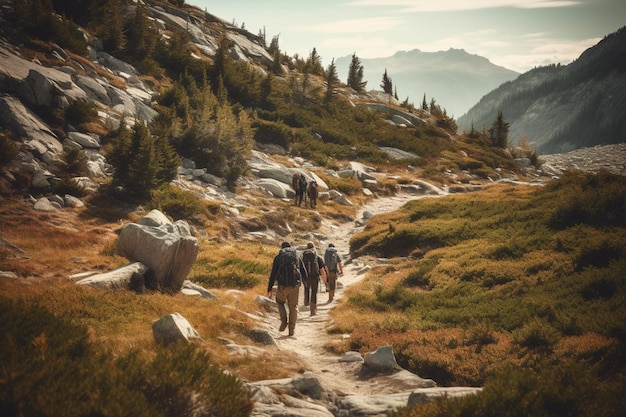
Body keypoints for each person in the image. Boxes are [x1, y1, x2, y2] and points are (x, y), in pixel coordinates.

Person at [267, 242, 308, 336]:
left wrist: (269, 288)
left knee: (279, 301)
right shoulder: (296, 255)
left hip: (282, 285)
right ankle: (291, 329)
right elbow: (303, 270)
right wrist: (305, 283)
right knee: (293, 307)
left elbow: (273, 273)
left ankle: (284, 320)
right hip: (295, 284)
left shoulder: (278, 257)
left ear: (282, 248)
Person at [301, 242, 327, 316]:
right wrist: (325, 282)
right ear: (314, 247)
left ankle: (306, 304)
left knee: (306, 290)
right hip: (314, 277)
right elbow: (322, 270)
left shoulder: (303, 257)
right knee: (314, 293)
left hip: (306, 277)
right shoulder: (317, 257)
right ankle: (312, 311)